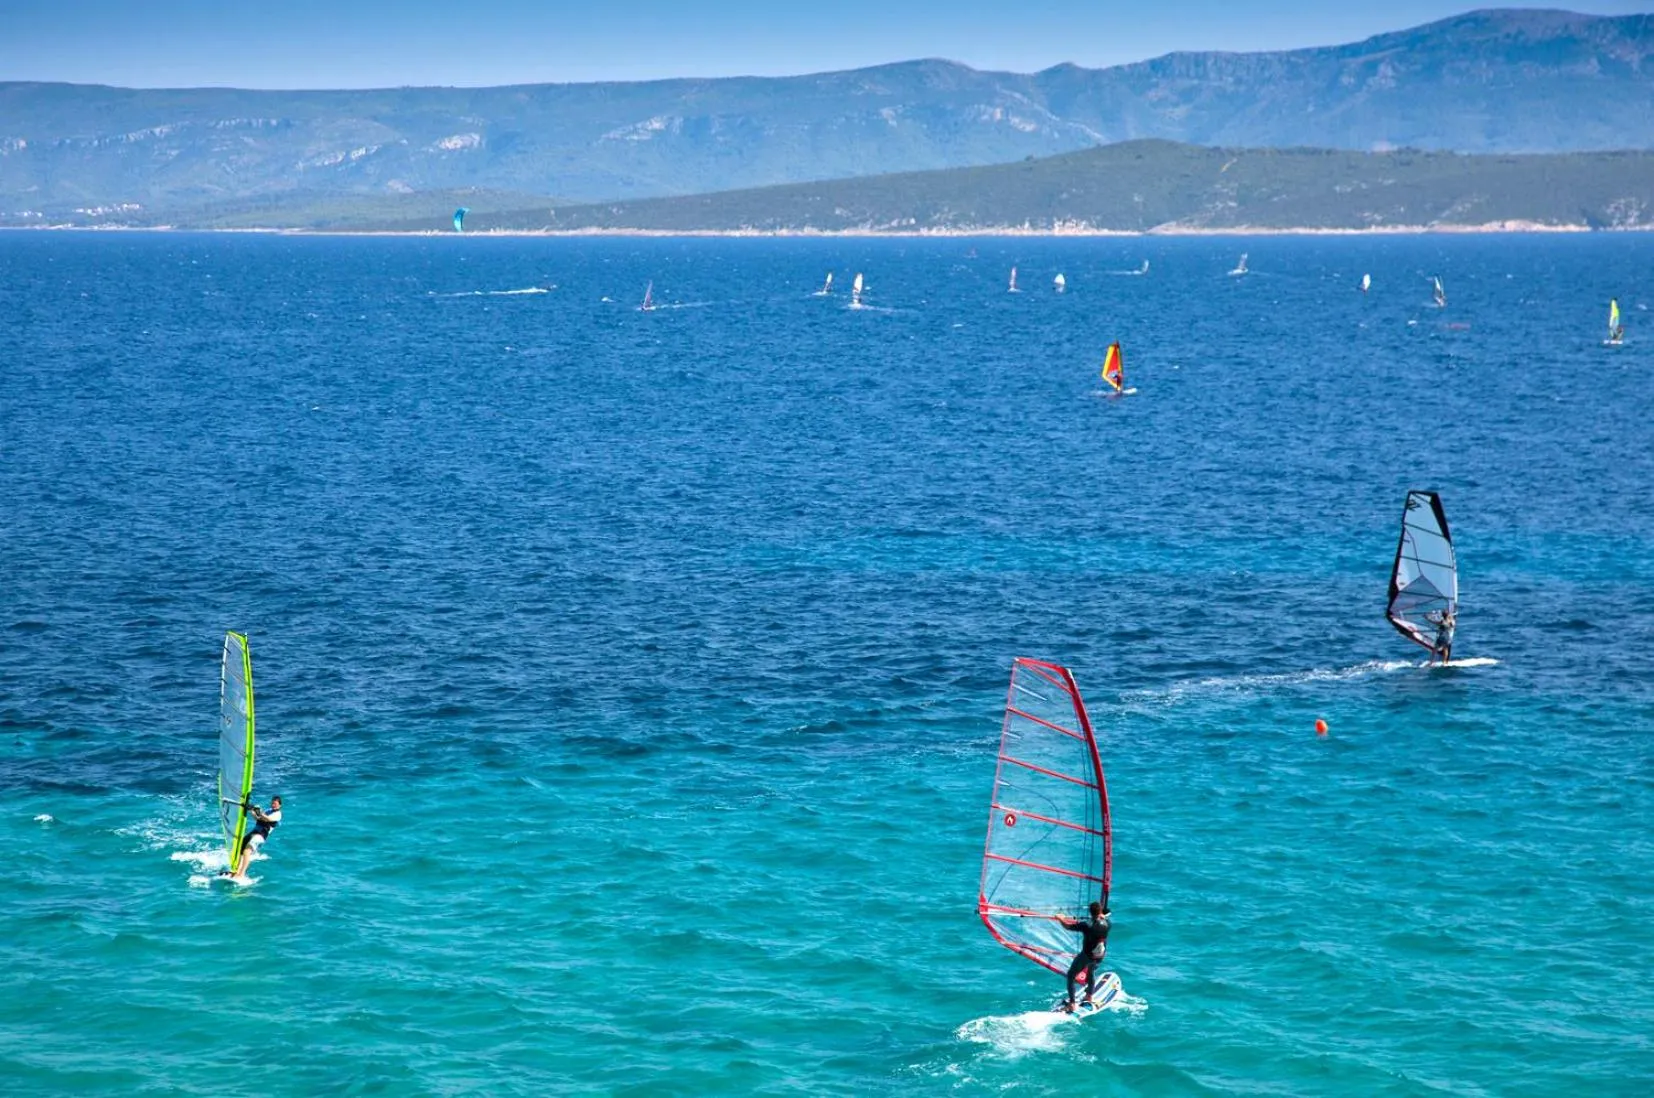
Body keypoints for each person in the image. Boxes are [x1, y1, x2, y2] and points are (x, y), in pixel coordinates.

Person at [1055, 901, 1111, 1012]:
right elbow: (1104, 919)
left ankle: (1072, 1004)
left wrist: (1060, 918)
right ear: (1100, 912)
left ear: (1090, 912)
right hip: (1100, 955)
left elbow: (1068, 926)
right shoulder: (1108, 923)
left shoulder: (1086, 925)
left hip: (1087, 956)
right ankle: (1089, 996)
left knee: (1071, 975)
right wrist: (1102, 916)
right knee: (1090, 972)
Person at [233, 795, 282, 876]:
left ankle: (242, 874)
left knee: (247, 851)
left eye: (275, 804)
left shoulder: (278, 814)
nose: (273, 805)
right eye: (272, 803)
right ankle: (236, 871)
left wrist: (259, 812)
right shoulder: (268, 810)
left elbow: (268, 819)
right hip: (255, 831)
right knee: (240, 848)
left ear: (280, 805)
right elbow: (257, 818)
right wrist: (251, 810)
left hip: (261, 835)